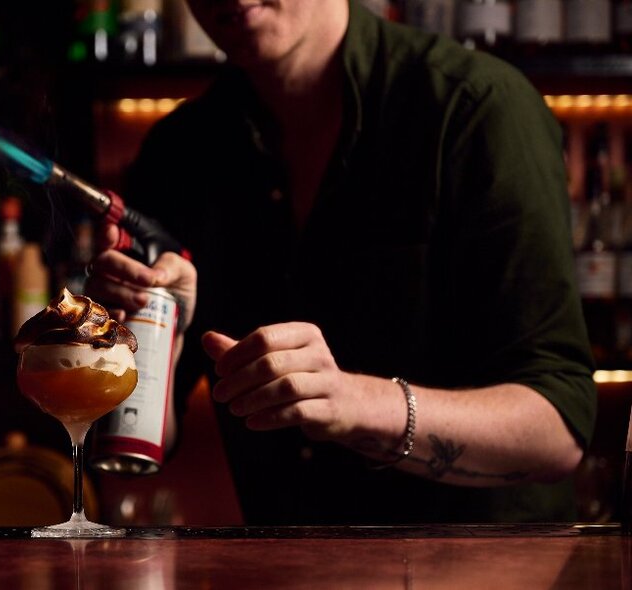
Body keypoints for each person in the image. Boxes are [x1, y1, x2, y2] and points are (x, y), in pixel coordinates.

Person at [84, 0, 597, 524]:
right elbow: (139, 446)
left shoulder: (476, 107)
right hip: (287, 572)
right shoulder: (181, 150)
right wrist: (148, 348)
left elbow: (558, 430)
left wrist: (355, 404)